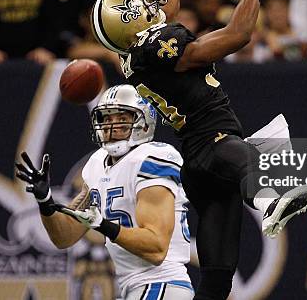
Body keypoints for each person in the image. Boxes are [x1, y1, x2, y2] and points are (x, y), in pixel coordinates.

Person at [90, 0, 307, 299]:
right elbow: (239, 33)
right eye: (136, 2)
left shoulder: (141, 48)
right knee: (247, 157)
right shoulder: (158, 45)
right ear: (131, 21)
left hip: (202, 166)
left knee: (218, 277)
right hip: (212, 146)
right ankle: (272, 198)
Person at [15, 85, 194, 299]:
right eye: (106, 119)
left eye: (121, 118)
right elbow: (64, 236)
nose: (111, 126)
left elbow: (156, 247)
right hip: (135, 286)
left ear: (144, 121)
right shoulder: (97, 164)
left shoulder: (152, 159)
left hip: (161, 283)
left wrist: (103, 225)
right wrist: (45, 201)